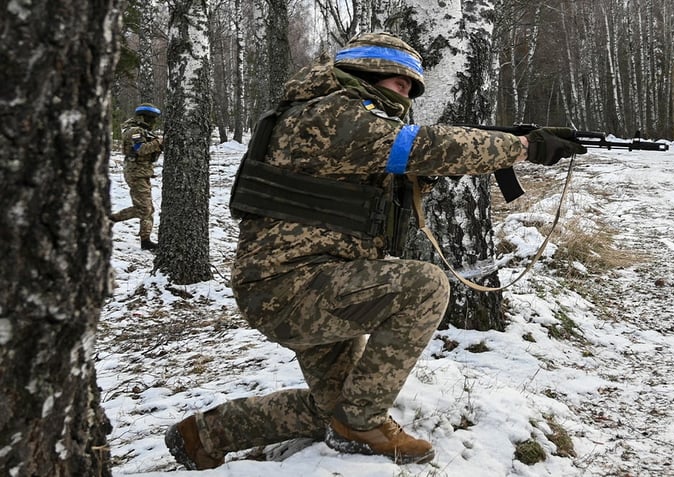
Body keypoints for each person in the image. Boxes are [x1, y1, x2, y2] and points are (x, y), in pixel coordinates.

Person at [164, 32, 586, 469]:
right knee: (424, 287)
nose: (405, 95)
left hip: (319, 281)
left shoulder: (330, 115)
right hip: (291, 289)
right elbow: (422, 146)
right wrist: (520, 147)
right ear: (366, 74)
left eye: (409, 88)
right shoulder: (331, 113)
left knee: (337, 409)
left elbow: (375, 176)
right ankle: (364, 424)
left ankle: (208, 433)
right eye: (399, 83)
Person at [110, 103, 164, 251]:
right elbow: (141, 149)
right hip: (136, 173)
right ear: (143, 117)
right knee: (145, 209)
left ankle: (144, 240)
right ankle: (112, 220)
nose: (153, 122)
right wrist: (160, 142)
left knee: (146, 208)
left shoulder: (142, 131)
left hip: (142, 172)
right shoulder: (134, 131)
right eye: (151, 118)